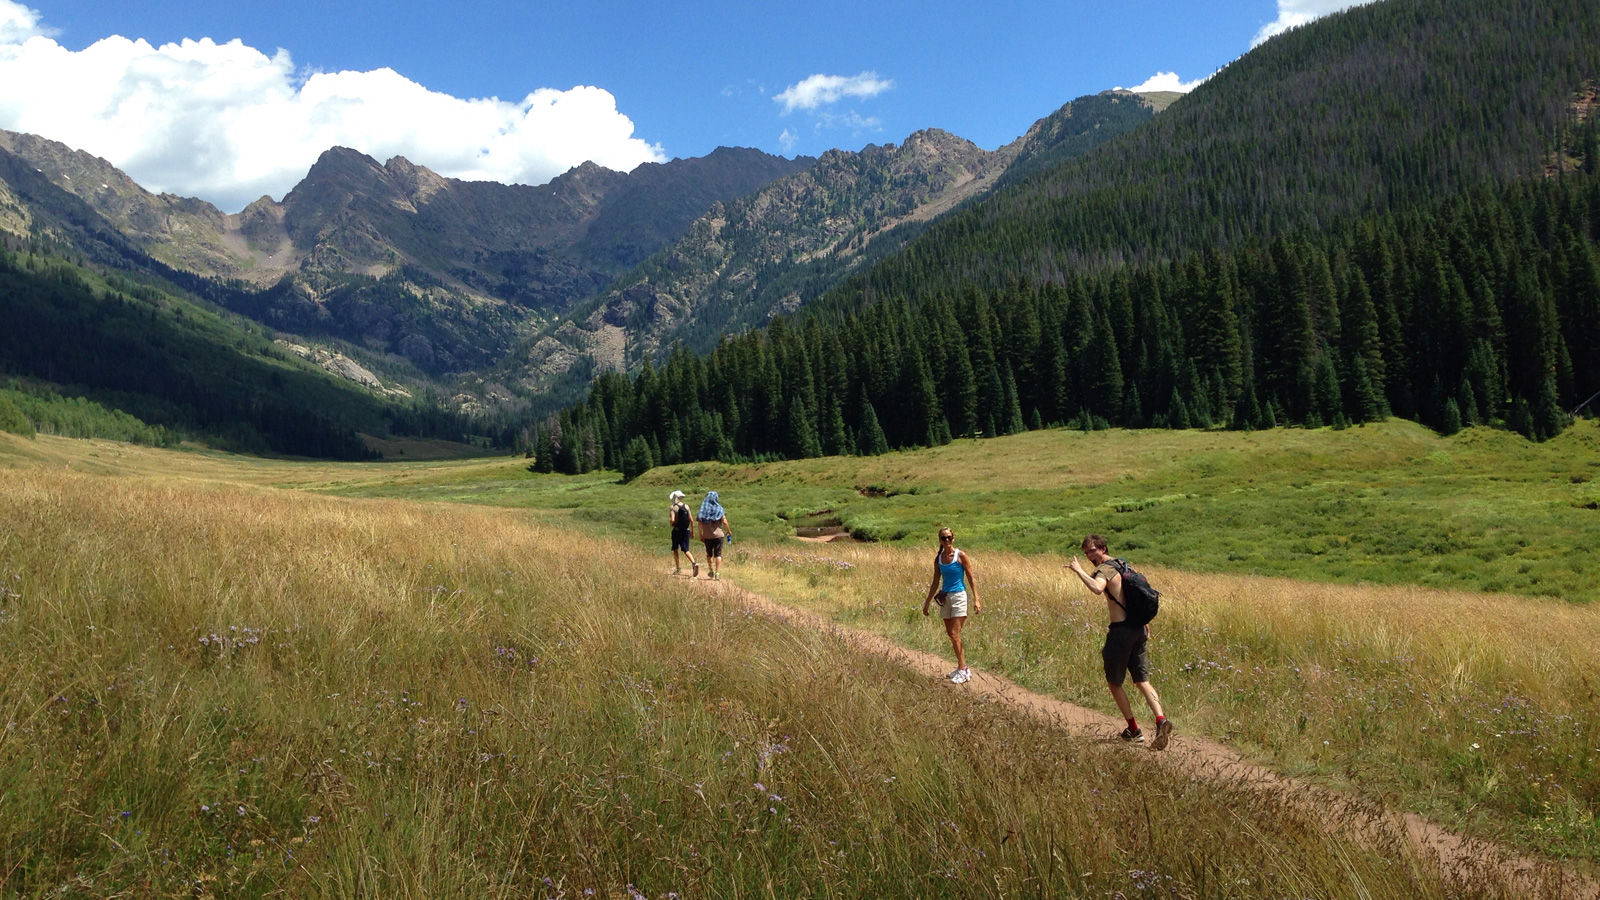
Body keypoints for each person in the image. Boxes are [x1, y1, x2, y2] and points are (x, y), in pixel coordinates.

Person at [1067, 534, 1173, 749]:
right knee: (1142, 680)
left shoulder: (1105, 569)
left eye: (1093, 550)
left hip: (1121, 632)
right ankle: (1161, 720)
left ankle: (1133, 730)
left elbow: (1097, 588)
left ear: (1103, 548)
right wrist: (1143, 622)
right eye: (1086, 552)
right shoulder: (1124, 565)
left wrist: (1078, 571)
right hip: (1139, 629)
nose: (1089, 556)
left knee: (1115, 683)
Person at [923, 527, 981, 684]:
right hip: (945, 597)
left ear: (953, 539)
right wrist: (927, 602)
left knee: (955, 634)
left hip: (959, 596)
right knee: (951, 634)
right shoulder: (939, 559)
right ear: (940, 540)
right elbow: (935, 581)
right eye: (943, 538)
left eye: (949, 537)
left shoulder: (960, 555)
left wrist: (976, 599)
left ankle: (962, 670)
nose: (946, 540)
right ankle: (962, 667)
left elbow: (971, 578)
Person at [696, 491, 733, 580]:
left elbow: (700, 524)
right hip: (718, 535)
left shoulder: (703, 509)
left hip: (707, 536)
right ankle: (717, 573)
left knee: (709, 554)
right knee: (718, 555)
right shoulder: (719, 509)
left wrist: (700, 534)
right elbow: (724, 521)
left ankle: (711, 570)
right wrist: (728, 531)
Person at [668, 490, 698, 577]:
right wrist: (692, 531)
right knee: (686, 549)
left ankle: (678, 568)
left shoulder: (673, 507)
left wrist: (672, 524)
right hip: (686, 530)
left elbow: (672, 520)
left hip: (677, 531)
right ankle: (693, 563)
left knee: (675, 549)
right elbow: (691, 520)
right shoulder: (687, 506)